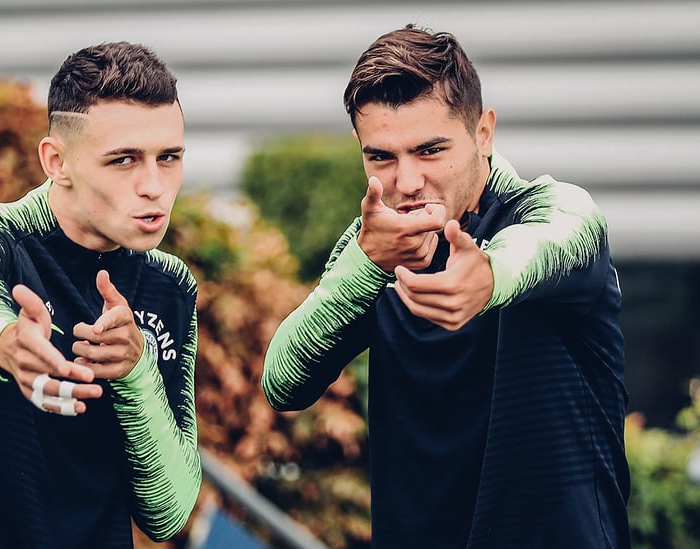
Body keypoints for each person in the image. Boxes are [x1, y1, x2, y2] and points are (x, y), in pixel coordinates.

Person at [262, 25, 629, 548]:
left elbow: (554, 238)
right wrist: (368, 267)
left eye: (430, 150)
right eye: (381, 157)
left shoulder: (550, 212)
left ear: (483, 133)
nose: (407, 182)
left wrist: (487, 276)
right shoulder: (375, 243)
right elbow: (282, 382)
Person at [0, 41, 201, 548]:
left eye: (169, 157)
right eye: (123, 160)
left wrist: (136, 375)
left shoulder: (169, 286)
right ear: (57, 161)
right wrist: (8, 344)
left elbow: (170, 512)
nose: (154, 185)